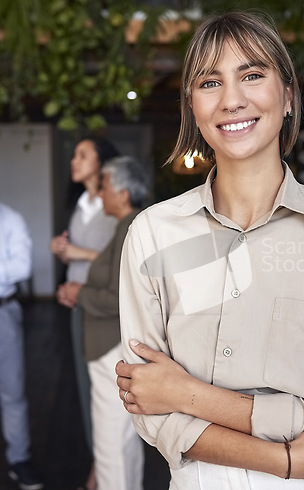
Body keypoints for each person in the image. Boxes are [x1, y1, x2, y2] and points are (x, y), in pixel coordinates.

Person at [116, 11, 304, 489]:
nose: (232, 100)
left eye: (253, 75)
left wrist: (187, 394)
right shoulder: (154, 234)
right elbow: (151, 411)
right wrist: (288, 459)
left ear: (287, 96)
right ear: (192, 107)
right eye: (209, 82)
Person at [57, 156, 150, 490]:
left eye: (106, 186)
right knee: (124, 437)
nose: (101, 192)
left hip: (110, 346)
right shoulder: (131, 226)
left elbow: (118, 299)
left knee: (111, 443)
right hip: (115, 346)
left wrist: (79, 293)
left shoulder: (129, 229)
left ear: (123, 194)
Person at [50, 135, 120, 490]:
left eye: (82, 155)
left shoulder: (115, 204)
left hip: (102, 309)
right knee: (84, 390)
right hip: (76, 305)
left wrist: (76, 252)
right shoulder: (81, 203)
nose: (74, 161)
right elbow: (78, 254)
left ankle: (101, 473)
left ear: (101, 161)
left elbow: (117, 261)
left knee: (104, 393)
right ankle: (100, 466)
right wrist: (63, 252)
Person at [0, 202, 44, 490]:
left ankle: (19, 458)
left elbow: (23, 266)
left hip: (3, 310)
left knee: (12, 391)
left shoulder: (11, 219)